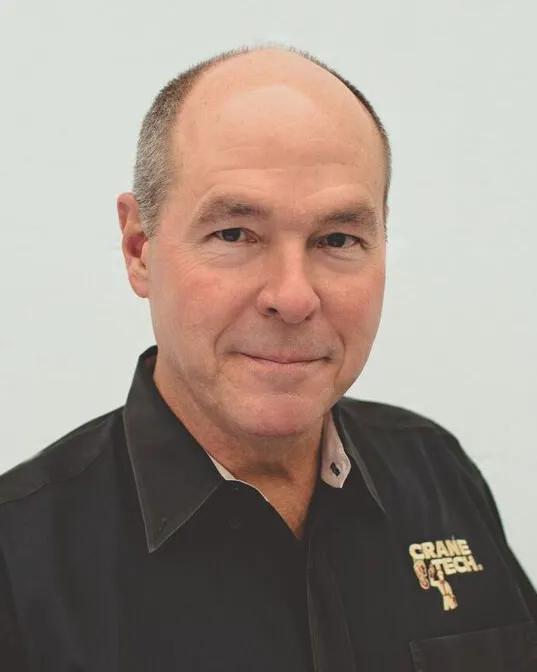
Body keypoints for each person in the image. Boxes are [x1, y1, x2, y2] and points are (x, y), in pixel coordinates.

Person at [0, 45, 535, 672]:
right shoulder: (18, 564)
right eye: (234, 234)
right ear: (139, 248)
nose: (292, 296)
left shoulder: (437, 470)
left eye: (338, 239)